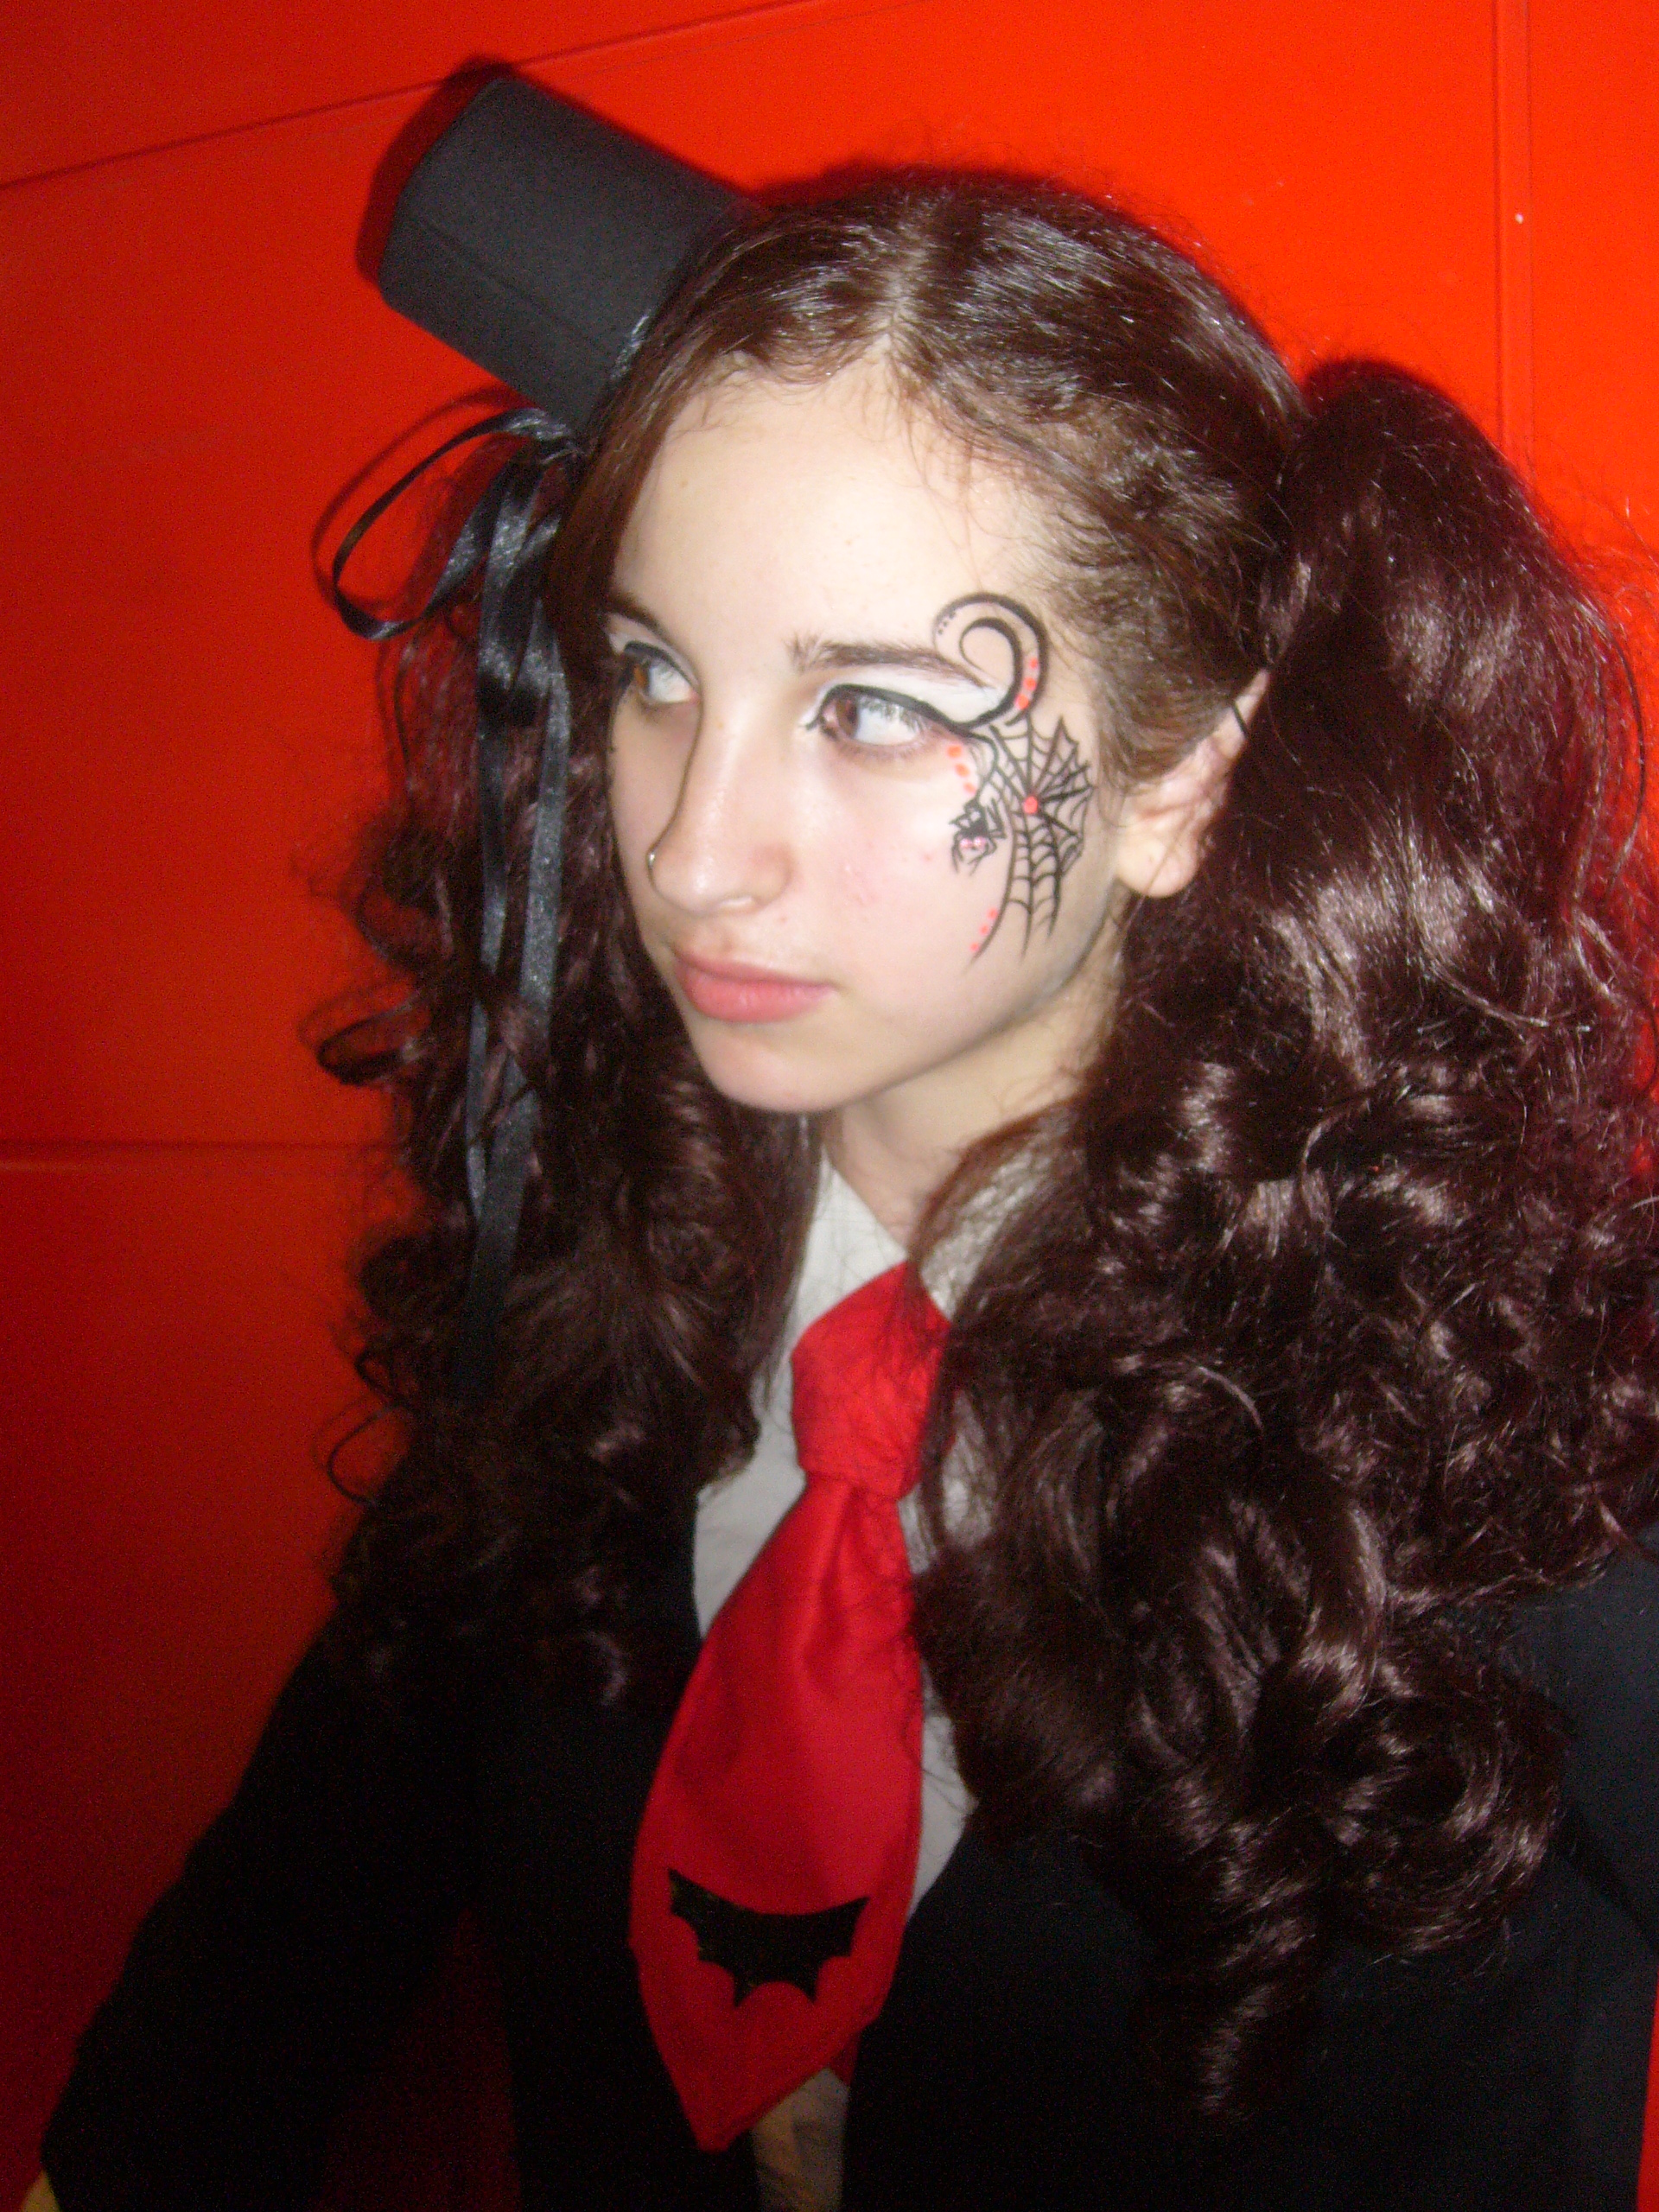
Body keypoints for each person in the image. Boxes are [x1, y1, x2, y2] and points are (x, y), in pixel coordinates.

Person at [30, 176, 1659, 2212]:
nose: (695, 851)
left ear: (1181, 780)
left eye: (871, 707)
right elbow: (286, 1924)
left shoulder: (1517, 1401)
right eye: (655, 672)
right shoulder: (594, 1289)